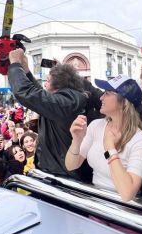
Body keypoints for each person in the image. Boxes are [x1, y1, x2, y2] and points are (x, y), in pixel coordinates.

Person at [8, 48, 90, 181]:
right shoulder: (66, 100)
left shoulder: (66, 102)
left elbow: (27, 93)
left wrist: (15, 64)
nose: (44, 84)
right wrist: (26, 70)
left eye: (47, 80)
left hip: (62, 177)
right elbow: (40, 94)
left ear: (58, 83)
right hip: (59, 172)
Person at [65, 75, 142, 202]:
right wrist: (76, 140)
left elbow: (127, 194)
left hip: (123, 213)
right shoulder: (96, 125)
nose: (101, 97)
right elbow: (71, 165)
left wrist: (110, 149)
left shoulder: (140, 139)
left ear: (125, 102)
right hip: (97, 205)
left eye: (108, 93)